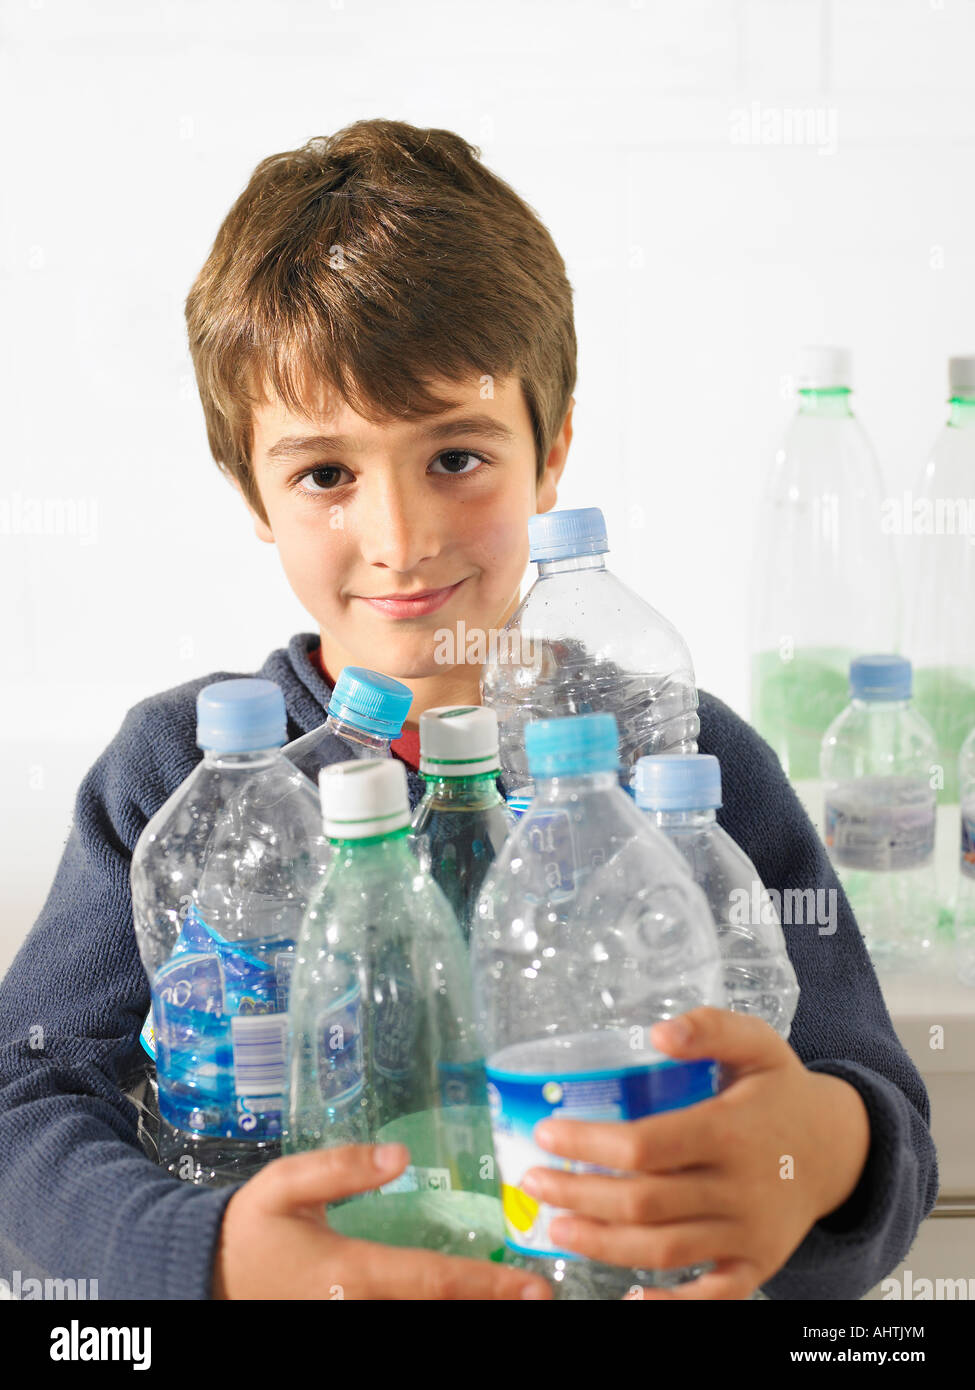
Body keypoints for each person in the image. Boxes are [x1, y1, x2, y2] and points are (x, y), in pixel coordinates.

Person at [0, 120, 936, 1301]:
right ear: (250, 488)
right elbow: (21, 1099)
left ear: (553, 455)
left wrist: (810, 1157)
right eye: (325, 474)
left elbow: (880, 1110)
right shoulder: (171, 776)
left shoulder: (684, 756)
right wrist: (213, 1255)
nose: (400, 540)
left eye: (457, 456)